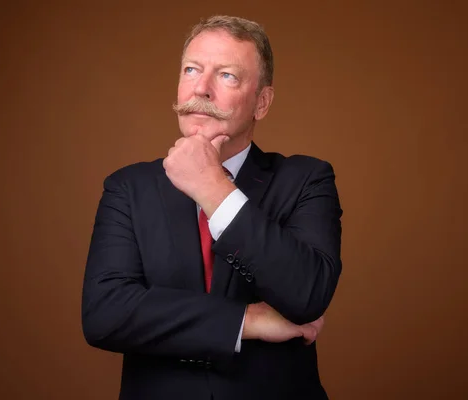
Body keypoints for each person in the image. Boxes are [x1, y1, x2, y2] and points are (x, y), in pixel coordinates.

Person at [82, 15, 342, 400]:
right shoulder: (127, 188)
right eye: (192, 69)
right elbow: (105, 315)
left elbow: (307, 294)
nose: (200, 89)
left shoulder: (306, 179)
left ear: (262, 102)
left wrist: (215, 190)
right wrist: (246, 320)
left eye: (227, 76)